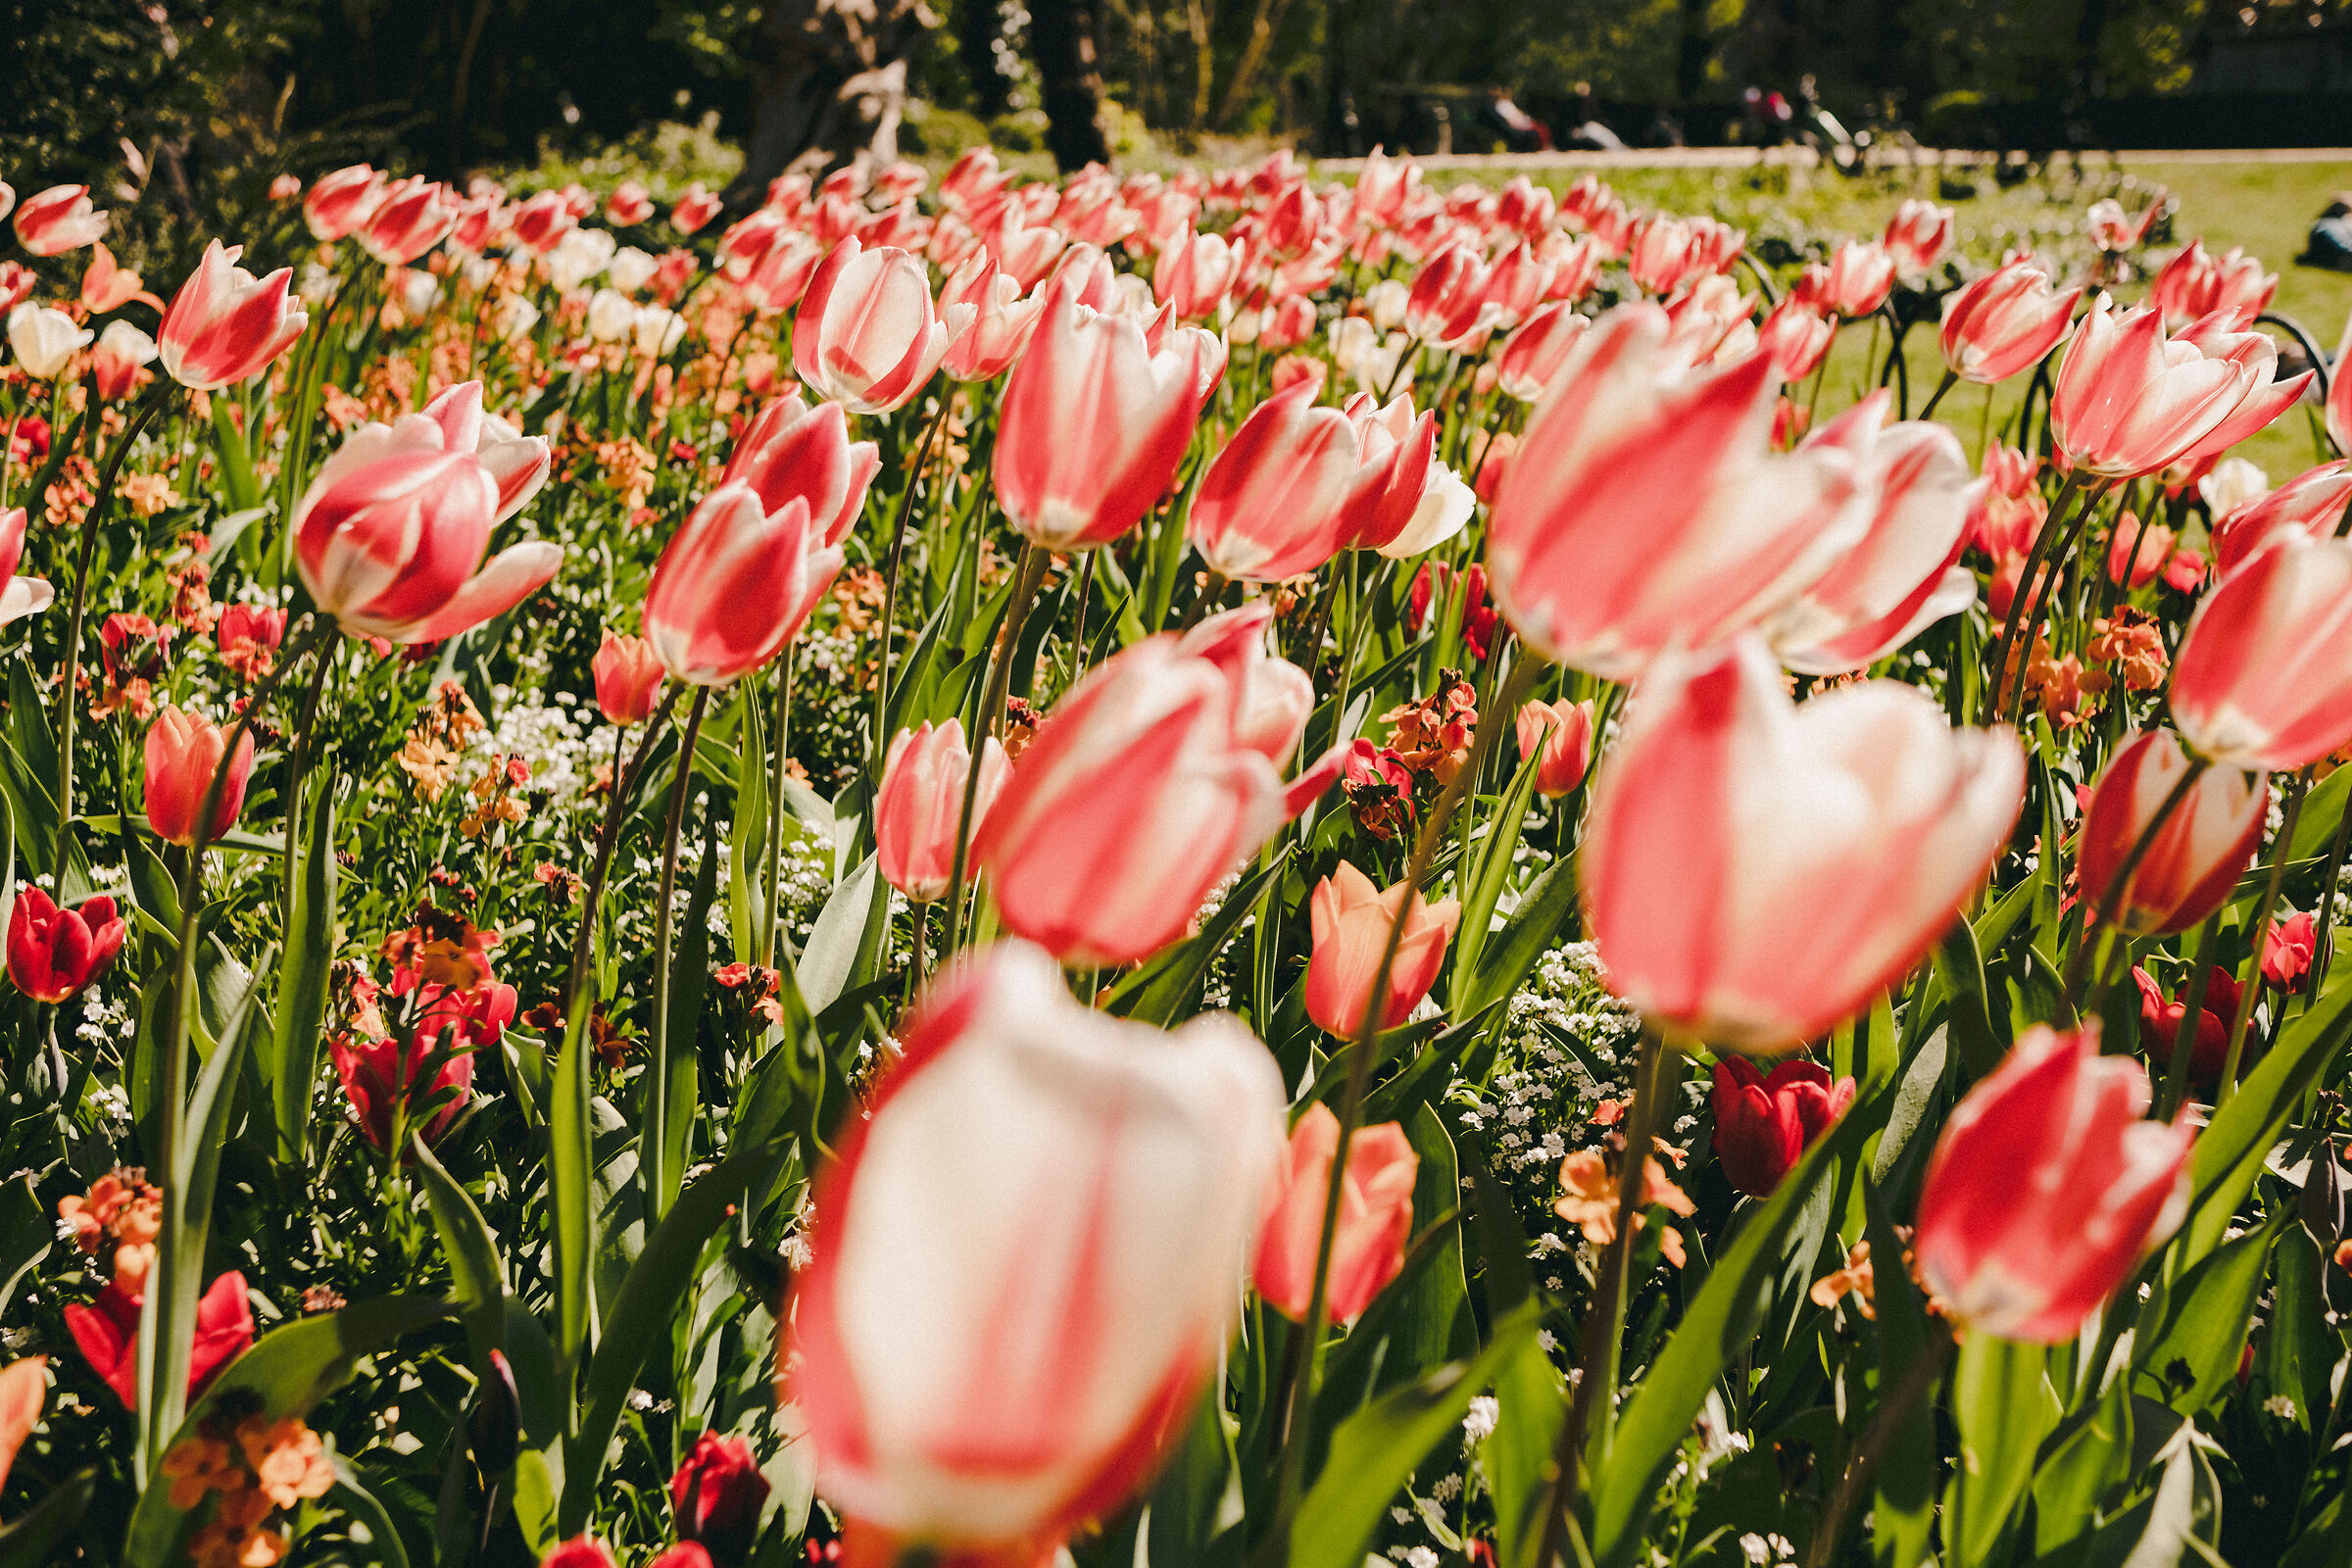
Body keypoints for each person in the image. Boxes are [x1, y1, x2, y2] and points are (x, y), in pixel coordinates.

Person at [1480, 84, 1553, 153]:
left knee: (1542, 127)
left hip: (1524, 122)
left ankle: (1546, 147)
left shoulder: (1505, 103)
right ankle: (1545, 148)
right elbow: (1510, 120)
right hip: (1519, 125)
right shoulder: (1500, 105)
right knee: (1540, 130)